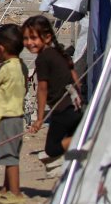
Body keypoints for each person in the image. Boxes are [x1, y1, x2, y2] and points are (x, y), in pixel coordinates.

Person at [24, 15, 82, 177]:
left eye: (34, 38)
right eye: (26, 38)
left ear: (47, 37)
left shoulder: (43, 59)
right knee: (68, 141)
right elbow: (75, 77)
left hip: (62, 108)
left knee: (52, 148)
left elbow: (42, 88)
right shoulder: (58, 52)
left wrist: (40, 118)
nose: (29, 42)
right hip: (74, 104)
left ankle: (84, 139)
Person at [0, 24, 27, 204]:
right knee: (9, 155)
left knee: (10, 158)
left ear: (1, 48)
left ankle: (15, 193)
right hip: (17, 115)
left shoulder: (7, 68)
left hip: (6, 117)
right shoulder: (21, 66)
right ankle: (5, 189)